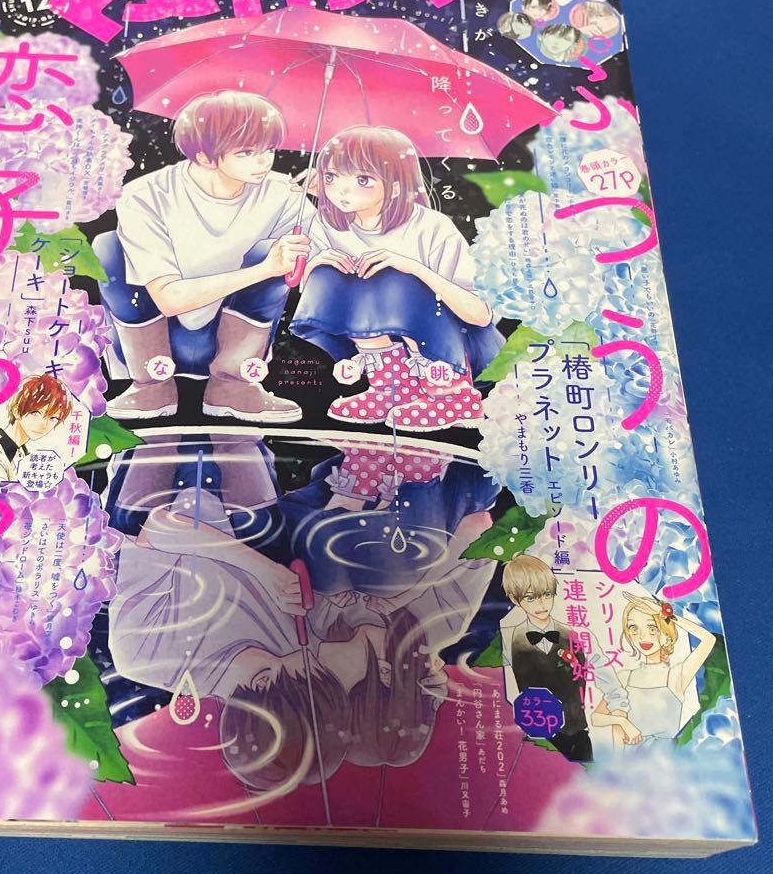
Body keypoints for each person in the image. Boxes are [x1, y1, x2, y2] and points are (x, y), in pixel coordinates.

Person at [104, 436, 351, 792]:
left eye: (305, 675)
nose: (309, 661)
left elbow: (159, 527)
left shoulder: (142, 659)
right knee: (237, 447)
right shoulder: (299, 651)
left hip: (152, 526)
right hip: (246, 533)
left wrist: (264, 571)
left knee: (158, 439)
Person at [94, 90, 311, 423]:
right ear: (205, 157)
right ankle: (150, 385)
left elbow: (328, 254)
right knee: (107, 248)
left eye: (268, 149)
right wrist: (265, 269)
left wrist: (329, 203)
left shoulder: (283, 193)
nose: (264, 162)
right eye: (247, 152)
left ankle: (233, 386)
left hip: (233, 344)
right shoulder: (146, 196)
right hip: (160, 340)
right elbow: (169, 299)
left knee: (287, 249)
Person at [289, 125, 502, 430]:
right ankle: (391, 386)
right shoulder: (326, 225)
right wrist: (315, 263)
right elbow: (311, 294)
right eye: (332, 177)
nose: (342, 191)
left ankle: (454, 395)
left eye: (363, 179)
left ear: (398, 186)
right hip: (387, 345)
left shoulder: (432, 227)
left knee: (397, 278)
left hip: (454, 344)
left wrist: (413, 268)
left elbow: (480, 315)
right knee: (330, 273)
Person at [499, 555, 629, 762]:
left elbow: (607, 677)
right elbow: (500, 689)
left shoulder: (578, 636)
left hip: (577, 737)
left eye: (547, 594)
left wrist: (620, 712)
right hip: (534, 741)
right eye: (531, 598)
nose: (541, 604)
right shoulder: (508, 639)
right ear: (515, 599)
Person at [591, 593, 715, 750]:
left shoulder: (676, 676)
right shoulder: (624, 677)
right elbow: (596, 717)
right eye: (633, 628)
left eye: (652, 628)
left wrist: (663, 613)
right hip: (625, 760)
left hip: (664, 760)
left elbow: (709, 639)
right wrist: (622, 722)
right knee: (618, 715)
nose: (642, 636)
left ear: (667, 636)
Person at [0, 374, 71, 484]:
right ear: (16, 410)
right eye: (36, 413)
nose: (43, 425)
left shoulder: (22, 453)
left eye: (53, 418)